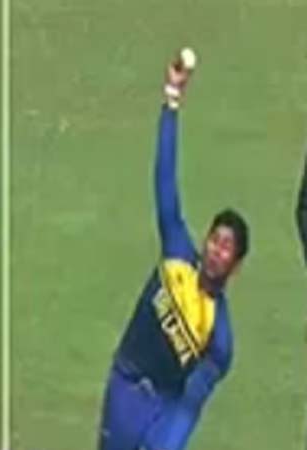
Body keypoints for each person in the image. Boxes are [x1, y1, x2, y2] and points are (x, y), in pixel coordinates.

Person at [98, 52, 250, 450]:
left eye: (226, 248)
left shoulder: (219, 338)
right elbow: (164, 179)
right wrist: (172, 100)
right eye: (215, 240)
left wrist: (166, 445)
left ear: (236, 265)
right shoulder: (177, 252)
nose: (216, 251)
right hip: (124, 386)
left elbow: (189, 406)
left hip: (159, 411)